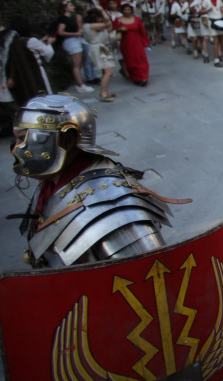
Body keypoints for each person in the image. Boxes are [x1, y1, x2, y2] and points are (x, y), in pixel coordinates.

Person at [11, 94, 183, 267]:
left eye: (23, 138)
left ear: (67, 140)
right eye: (16, 139)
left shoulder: (114, 206)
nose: (15, 149)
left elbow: (149, 276)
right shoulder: (50, 183)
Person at [55, 0, 94, 94]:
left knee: (78, 64)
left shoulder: (69, 18)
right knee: (76, 64)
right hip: (71, 42)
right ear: (65, 8)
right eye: (70, 5)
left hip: (74, 41)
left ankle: (79, 83)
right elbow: (60, 32)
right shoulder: (63, 19)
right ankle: (80, 85)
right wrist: (75, 34)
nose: (73, 7)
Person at [82, 8, 117, 101]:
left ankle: (105, 91)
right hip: (98, 48)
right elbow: (108, 24)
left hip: (102, 48)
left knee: (107, 71)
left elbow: (109, 27)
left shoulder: (98, 26)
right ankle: (103, 93)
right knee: (109, 71)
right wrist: (102, 11)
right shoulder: (90, 26)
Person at [113, 1, 151, 86]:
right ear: (122, 10)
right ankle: (135, 78)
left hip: (137, 43)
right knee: (130, 62)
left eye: (128, 10)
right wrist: (119, 29)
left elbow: (142, 31)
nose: (127, 11)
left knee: (141, 60)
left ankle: (144, 77)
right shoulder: (118, 20)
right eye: (125, 10)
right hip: (126, 44)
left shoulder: (137, 19)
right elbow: (113, 31)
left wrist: (146, 43)